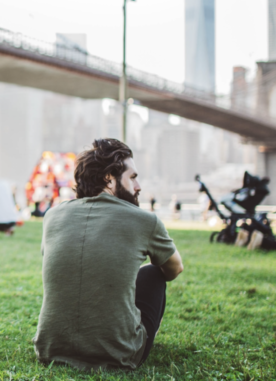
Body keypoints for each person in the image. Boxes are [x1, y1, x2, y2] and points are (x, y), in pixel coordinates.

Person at [33, 138, 184, 371]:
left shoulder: (53, 215)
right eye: (132, 177)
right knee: (153, 273)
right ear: (109, 177)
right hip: (119, 354)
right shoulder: (144, 220)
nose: (138, 186)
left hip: (51, 349)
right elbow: (174, 269)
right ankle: (133, 339)